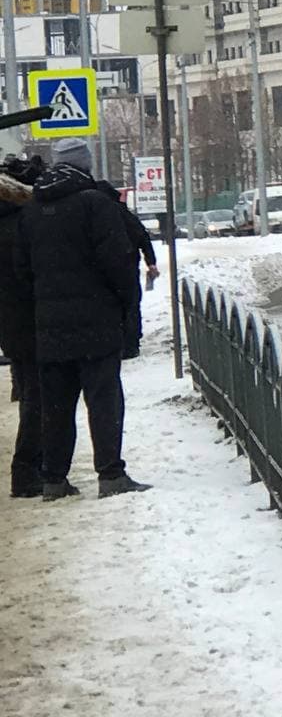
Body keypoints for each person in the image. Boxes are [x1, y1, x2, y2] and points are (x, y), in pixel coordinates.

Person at [15, 138, 150, 501]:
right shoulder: (95, 204)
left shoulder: (30, 211)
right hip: (96, 322)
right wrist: (127, 305)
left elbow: (22, 272)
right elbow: (119, 261)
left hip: (49, 327)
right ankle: (110, 474)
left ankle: (53, 480)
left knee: (55, 406)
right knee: (104, 400)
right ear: (85, 165)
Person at [1, 156, 44, 497]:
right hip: (29, 320)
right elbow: (26, 276)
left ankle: (29, 471)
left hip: (10, 324)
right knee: (38, 398)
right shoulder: (20, 224)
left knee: (33, 394)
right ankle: (27, 473)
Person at [95, 178, 158, 359]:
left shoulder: (98, 215)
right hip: (128, 267)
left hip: (105, 271)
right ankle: (131, 343)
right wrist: (150, 261)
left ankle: (120, 342)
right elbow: (143, 238)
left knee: (113, 307)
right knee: (130, 306)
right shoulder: (125, 214)